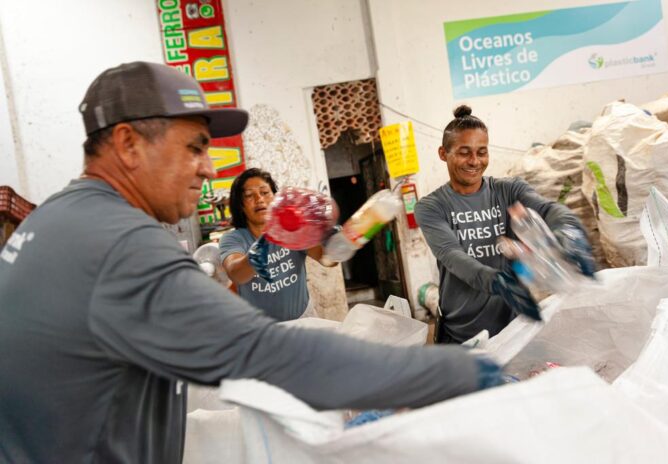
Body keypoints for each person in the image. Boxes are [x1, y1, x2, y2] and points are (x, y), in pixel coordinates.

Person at [0, 62, 503, 464]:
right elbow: (268, 350)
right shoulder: (120, 244)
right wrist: (466, 374)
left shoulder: (62, 216)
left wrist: (368, 218)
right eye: (194, 148)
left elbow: (330, 255)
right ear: (128, 144)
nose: (208, 166)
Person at [415, 105, 595, 345]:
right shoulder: (431, 207)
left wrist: (569, 228)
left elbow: (547, 209)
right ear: (443, 153)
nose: (474, 161)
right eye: (464, 152)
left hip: (514, 326)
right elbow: (452, 255)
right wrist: (497, 282)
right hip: (462, 334)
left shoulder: (509, 190)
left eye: (482, 152)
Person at [219, 168, 325, 321]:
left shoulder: (292, 230)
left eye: (265, 192)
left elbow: (326, 258)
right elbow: (236, 274)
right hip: (261, 331)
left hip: (304, 318)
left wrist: (339, 241)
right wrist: (268, 237)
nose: (259, 199)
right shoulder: (233, 239)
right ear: (241, 206)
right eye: (249, 195)